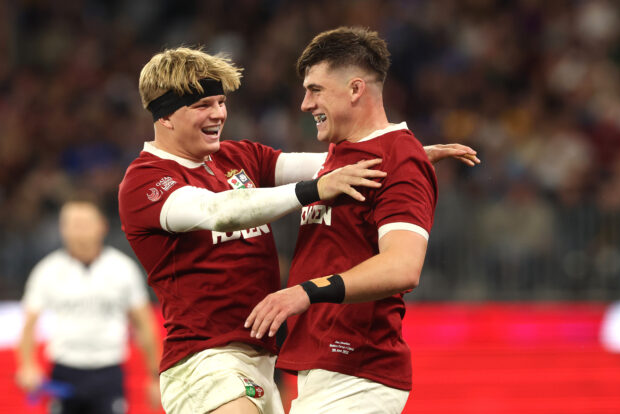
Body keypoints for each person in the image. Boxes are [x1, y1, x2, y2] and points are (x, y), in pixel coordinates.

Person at [118, 46, 478, 414]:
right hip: (203, 359)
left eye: (221, 102)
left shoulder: (236, 157)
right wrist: (313, 190)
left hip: (262, 358)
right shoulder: (146, 181)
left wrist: (401, 155)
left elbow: (326, 164)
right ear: (165, 116)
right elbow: (219, 211)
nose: (218, 114)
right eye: (203, 105)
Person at [245, 26, 451, 413]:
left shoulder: (399, 158)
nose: (305, 104)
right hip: (326, 368)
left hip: (358, 371)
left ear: (356, 89)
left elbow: (403, 266)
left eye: (315, 90)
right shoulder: (343, 156)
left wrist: (305, 292)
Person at [15, 198, 161, 414]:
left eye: (84, 223)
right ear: (62, 229)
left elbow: (144, 324)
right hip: (65, 371)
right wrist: (27, 365)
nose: (79, 231)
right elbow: (29, 324)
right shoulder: (47, 271)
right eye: (72, 224)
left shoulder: (123, 269)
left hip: (108, 371)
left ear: (102, 226)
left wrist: (155, 376)